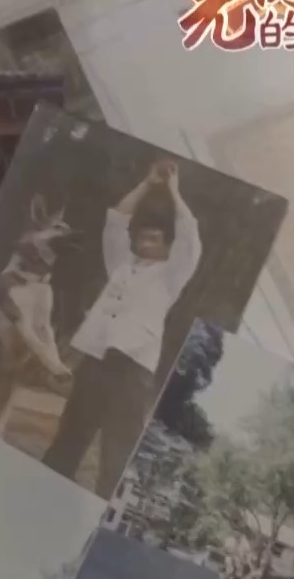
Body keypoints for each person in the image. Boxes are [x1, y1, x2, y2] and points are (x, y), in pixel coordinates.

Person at [42, 160, 202, 495]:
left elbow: (189, 235)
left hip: (133, 371)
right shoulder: (120, 265)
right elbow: (116, 220)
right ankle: (42, 493)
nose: (145, 244)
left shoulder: (172, 276)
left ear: (167, 247)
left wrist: (173, 191)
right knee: (69, 437)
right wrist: (146, 184)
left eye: (154, 239)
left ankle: (100, 510)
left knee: (116, 454)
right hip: (97, 362)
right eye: (141, 238)